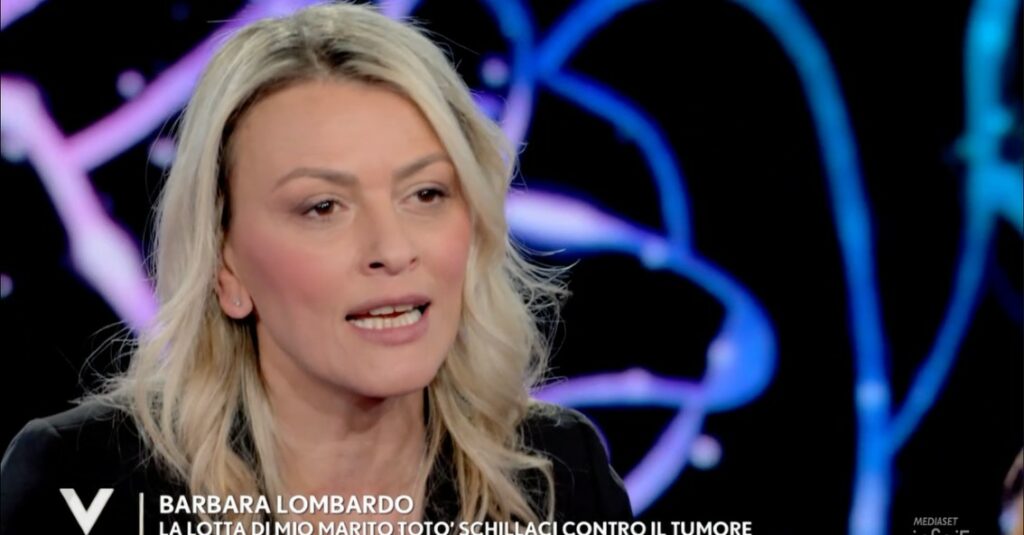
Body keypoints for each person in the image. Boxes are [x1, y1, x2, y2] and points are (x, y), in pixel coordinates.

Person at [0, 3, 632, 533]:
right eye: (323, 207)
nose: (393, 248)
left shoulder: (558, 474)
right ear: (225, 264)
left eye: (426, 194)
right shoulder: (82, 483)